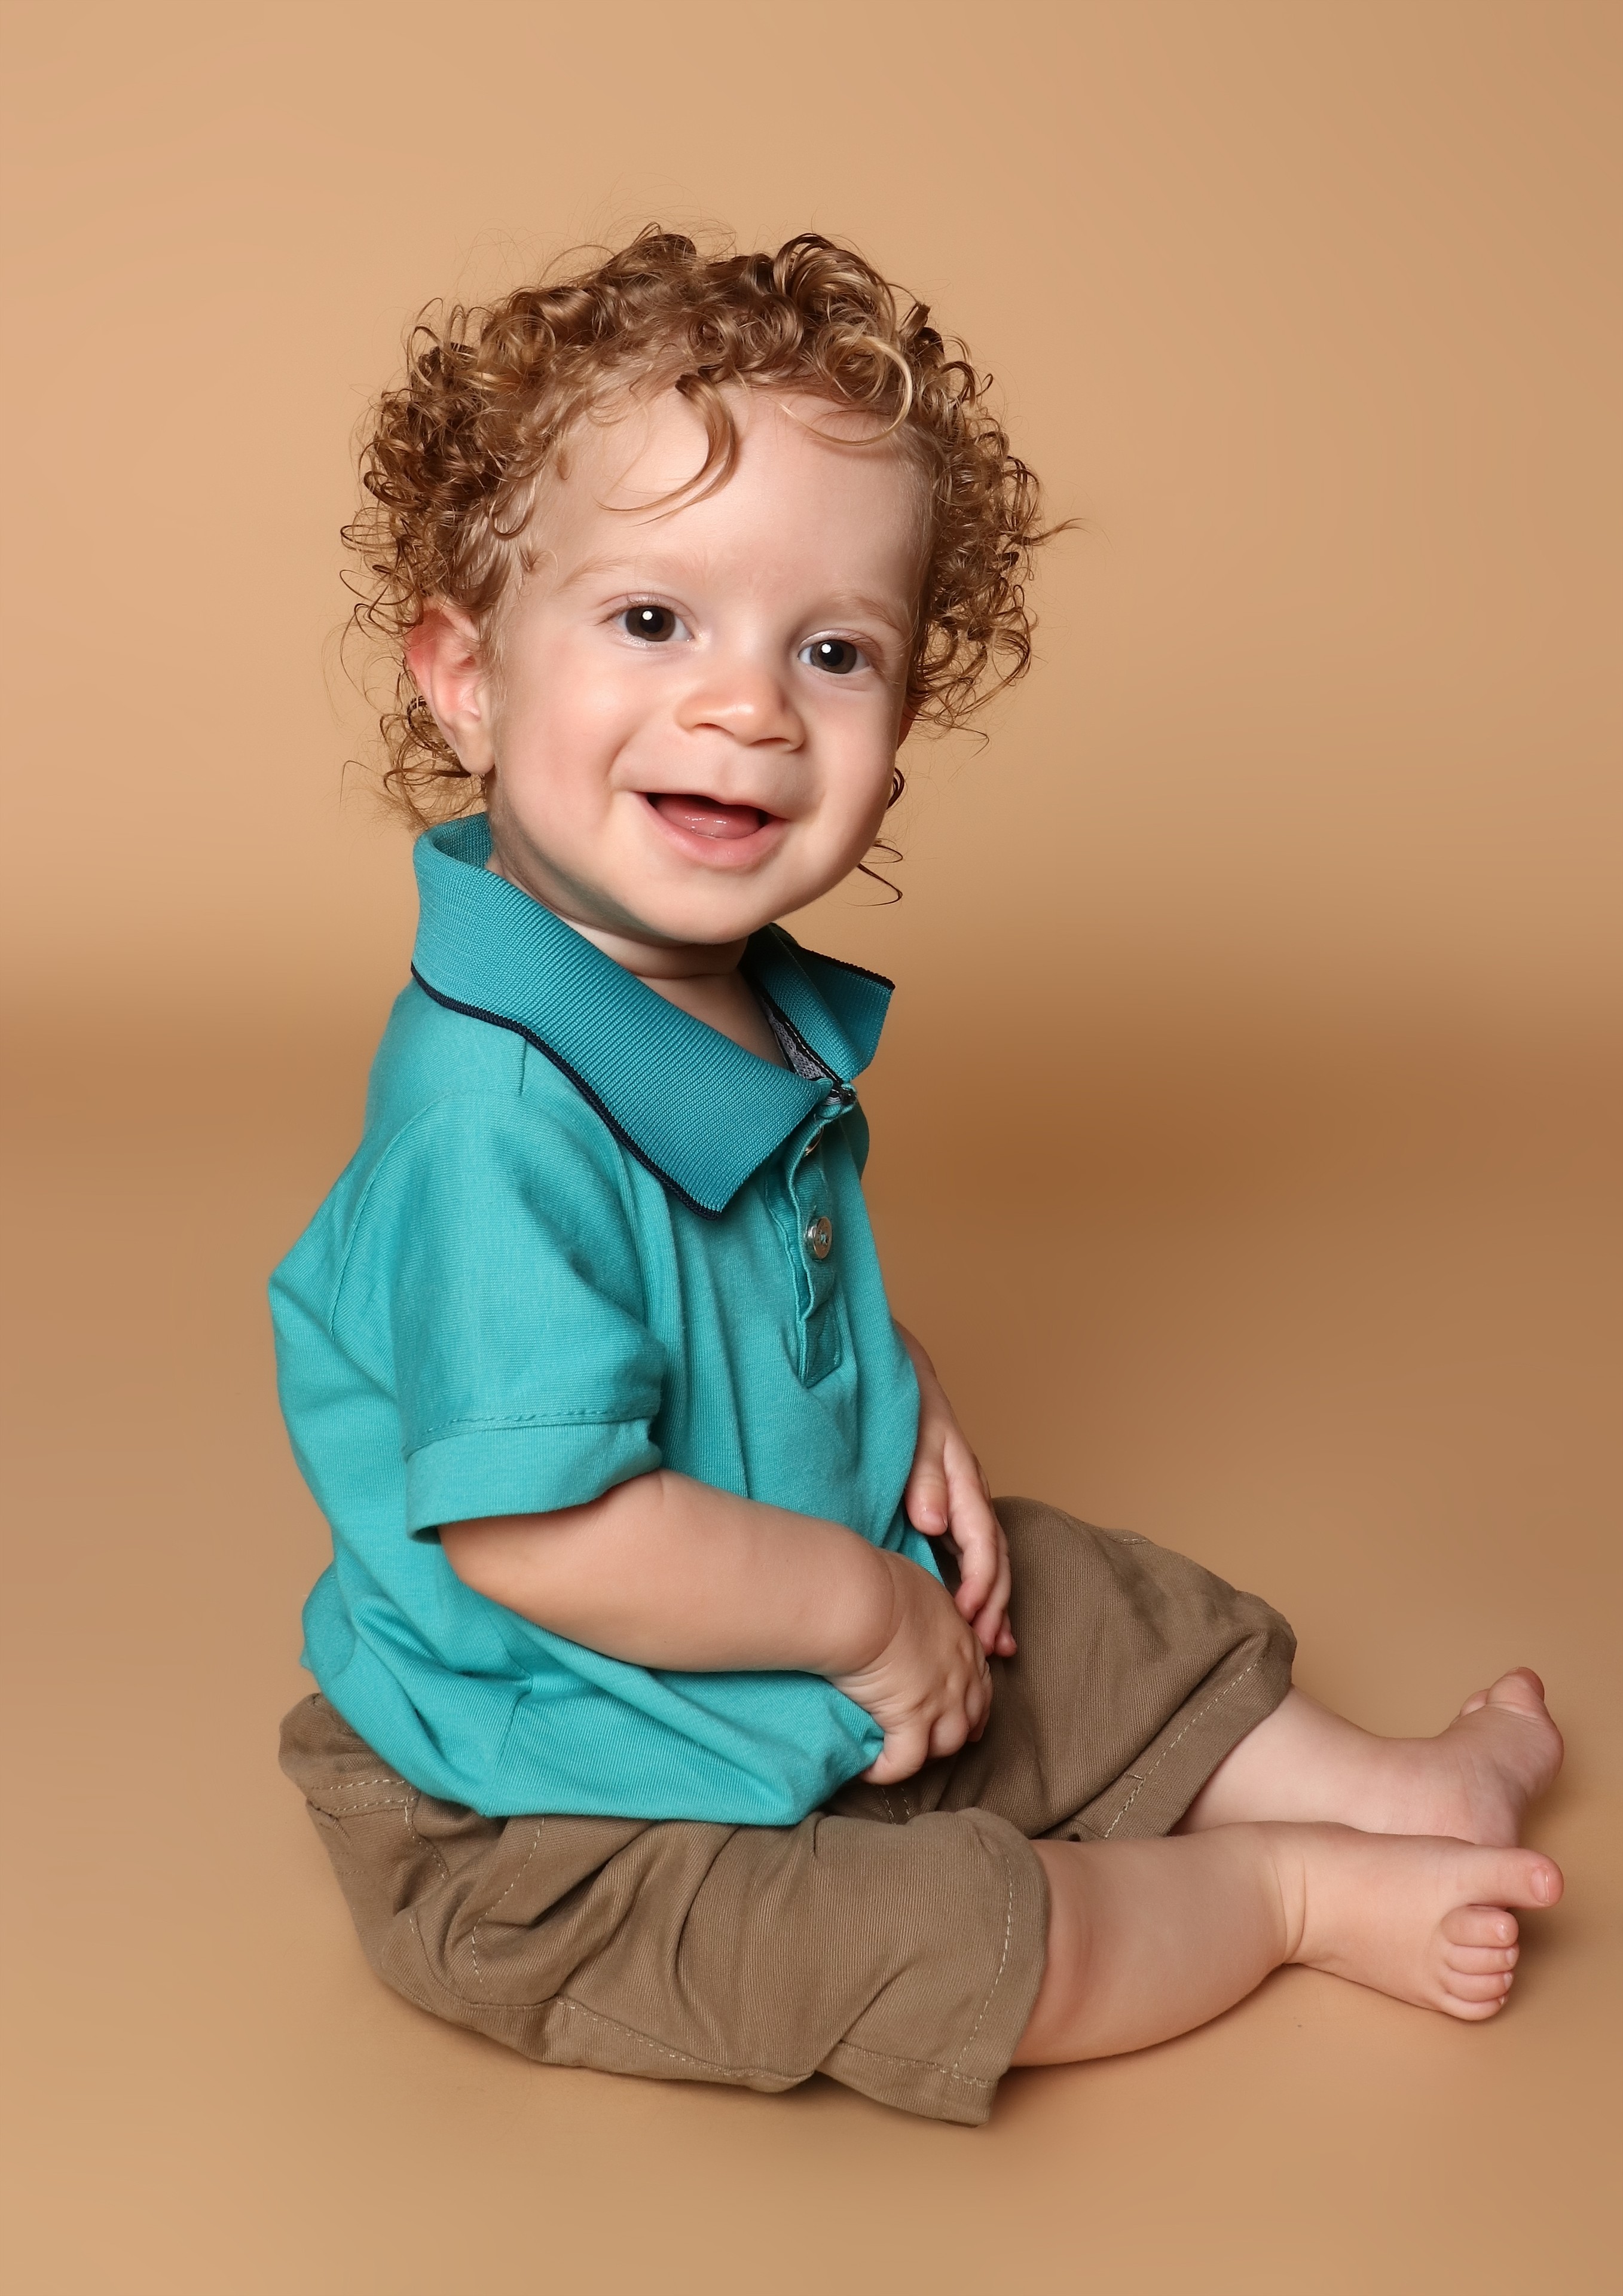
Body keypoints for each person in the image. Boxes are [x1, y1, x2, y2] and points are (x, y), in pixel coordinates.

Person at [273, 230, 1563, 2124]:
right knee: (927, 1939)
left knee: (1071, 1599)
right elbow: (541, 1534)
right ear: (464, 676)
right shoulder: (491, 1118)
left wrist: (896, 1390)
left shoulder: (727, 1000)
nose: (748, 707)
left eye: (831, 651)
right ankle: (1283, 1895)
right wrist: (862, 1619)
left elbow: (740, 1291)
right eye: (654, 620)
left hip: (780, 1635)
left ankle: (1389, 1789)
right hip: (559, 1802)